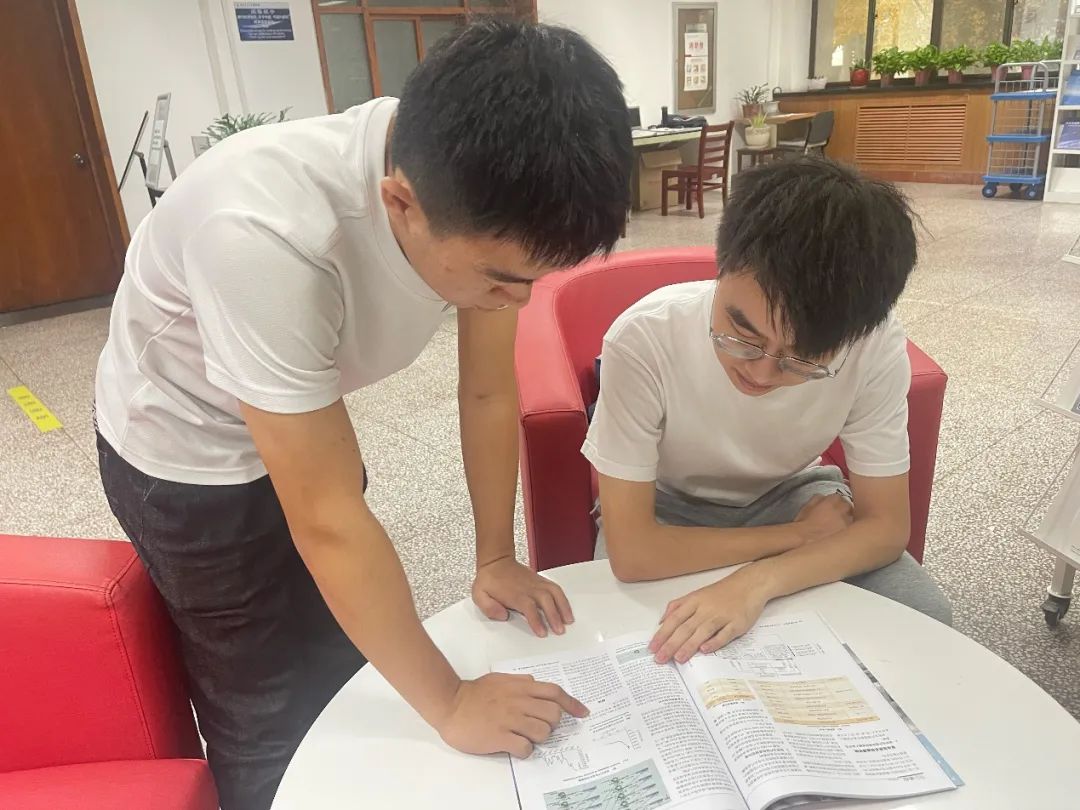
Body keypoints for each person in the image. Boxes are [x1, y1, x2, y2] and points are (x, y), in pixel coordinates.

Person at [94, 20, 632, 810]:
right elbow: (329, 519)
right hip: (184, 453)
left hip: (296, 414)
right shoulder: (263, 233)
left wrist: (494, 555)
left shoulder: (468, 184)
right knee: (264, 697)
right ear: (399, 203)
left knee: (346, 653)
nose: (515, 301)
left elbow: (487, 389)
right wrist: (450, 702)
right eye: (500, 280)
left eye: (535, 280)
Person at [582, 158, 952, 668]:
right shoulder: (645, 337)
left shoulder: (875, 344)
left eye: (801, 359)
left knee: (923, 617)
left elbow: (886, 527)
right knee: (642, 648)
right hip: (669, 508)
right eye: (741, 334)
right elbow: (634, 551)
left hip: (792, 494)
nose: (759, 372)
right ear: (722, 265)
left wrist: (757, 581)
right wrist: (796, 538)